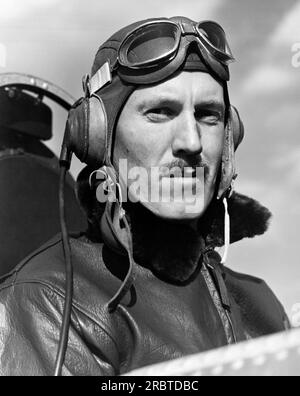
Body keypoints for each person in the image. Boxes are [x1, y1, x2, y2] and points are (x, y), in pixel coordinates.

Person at [0, 16, 290, 376]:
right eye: (160, 112)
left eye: (208, 115)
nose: (191, 142)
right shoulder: (50, 302)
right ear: (96, 137)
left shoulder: (262, 305)